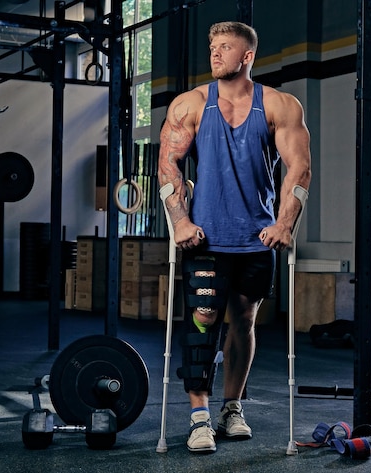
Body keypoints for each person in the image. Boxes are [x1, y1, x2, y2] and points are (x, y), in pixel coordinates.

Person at [157, 21, 312, 453]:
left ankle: (231, 407)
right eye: (212, 45)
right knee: (202, 323)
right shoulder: (189, 105)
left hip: (256, 239)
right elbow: (168, 166)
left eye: (225, 46)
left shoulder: (280, 106)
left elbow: (298, 170)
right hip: (204, 238)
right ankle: (199, 417)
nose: (215, 52)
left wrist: (284, 225)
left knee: (243, 322)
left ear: (247, 57)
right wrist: (180, 222)